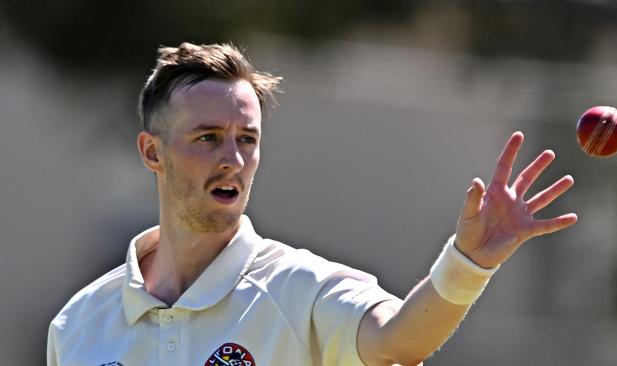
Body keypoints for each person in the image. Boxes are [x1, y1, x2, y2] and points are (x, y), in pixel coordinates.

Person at [46, 42, 578, 366]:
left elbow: (399, 339)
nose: (232, 157)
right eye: (208, 137)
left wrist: (469, 263)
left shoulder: (300, 288)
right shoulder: (78, 325)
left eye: (247, 139)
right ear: (152, 152)